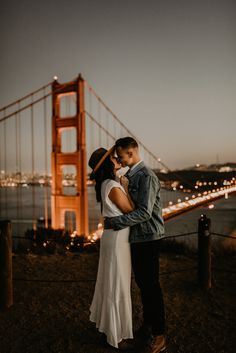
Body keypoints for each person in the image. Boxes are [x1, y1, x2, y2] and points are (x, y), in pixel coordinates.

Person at [104, 137, 166, 353]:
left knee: (151, 288)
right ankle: (148, 328)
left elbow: (145, 212)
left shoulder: (146, 176)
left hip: (148, 238)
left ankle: (159, 336)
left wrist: (115, 222)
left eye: (120, 156)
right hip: (138, 238)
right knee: (144, 287)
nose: (118, 160)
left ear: (131, 154)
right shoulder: (129, 176)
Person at [88, 146, 135, 350]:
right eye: (112, 158)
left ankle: (108, 329)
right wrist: (125, 185)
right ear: (108, 164)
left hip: (113, 236)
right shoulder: (113, 186)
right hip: (117, 239)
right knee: (117, 284)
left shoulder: (105, 184)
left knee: (111, 282)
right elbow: (130, 210)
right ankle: (116, 336)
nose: (117, 158)